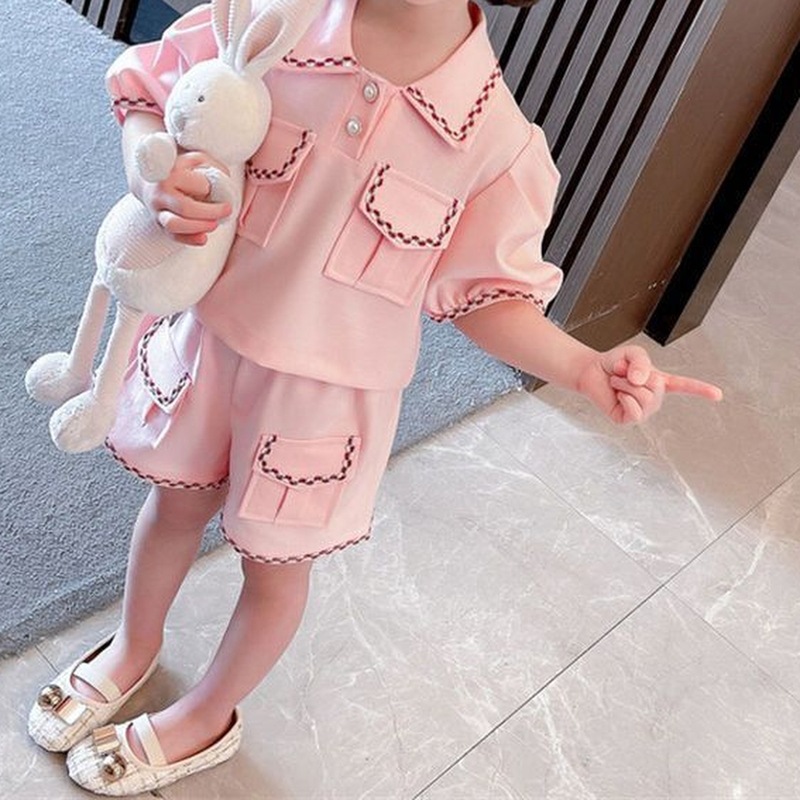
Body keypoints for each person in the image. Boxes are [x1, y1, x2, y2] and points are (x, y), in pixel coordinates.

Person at [28, 0, 723, 794]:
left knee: (275, 569)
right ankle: (132, 645)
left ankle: (208, 713)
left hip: (323, 408)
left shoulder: (496, 145)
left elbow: (489, 297)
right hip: (211, 342)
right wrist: (152, 177)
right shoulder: (279, 22)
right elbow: (155, 89)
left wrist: (583, 369)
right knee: (173, 506)